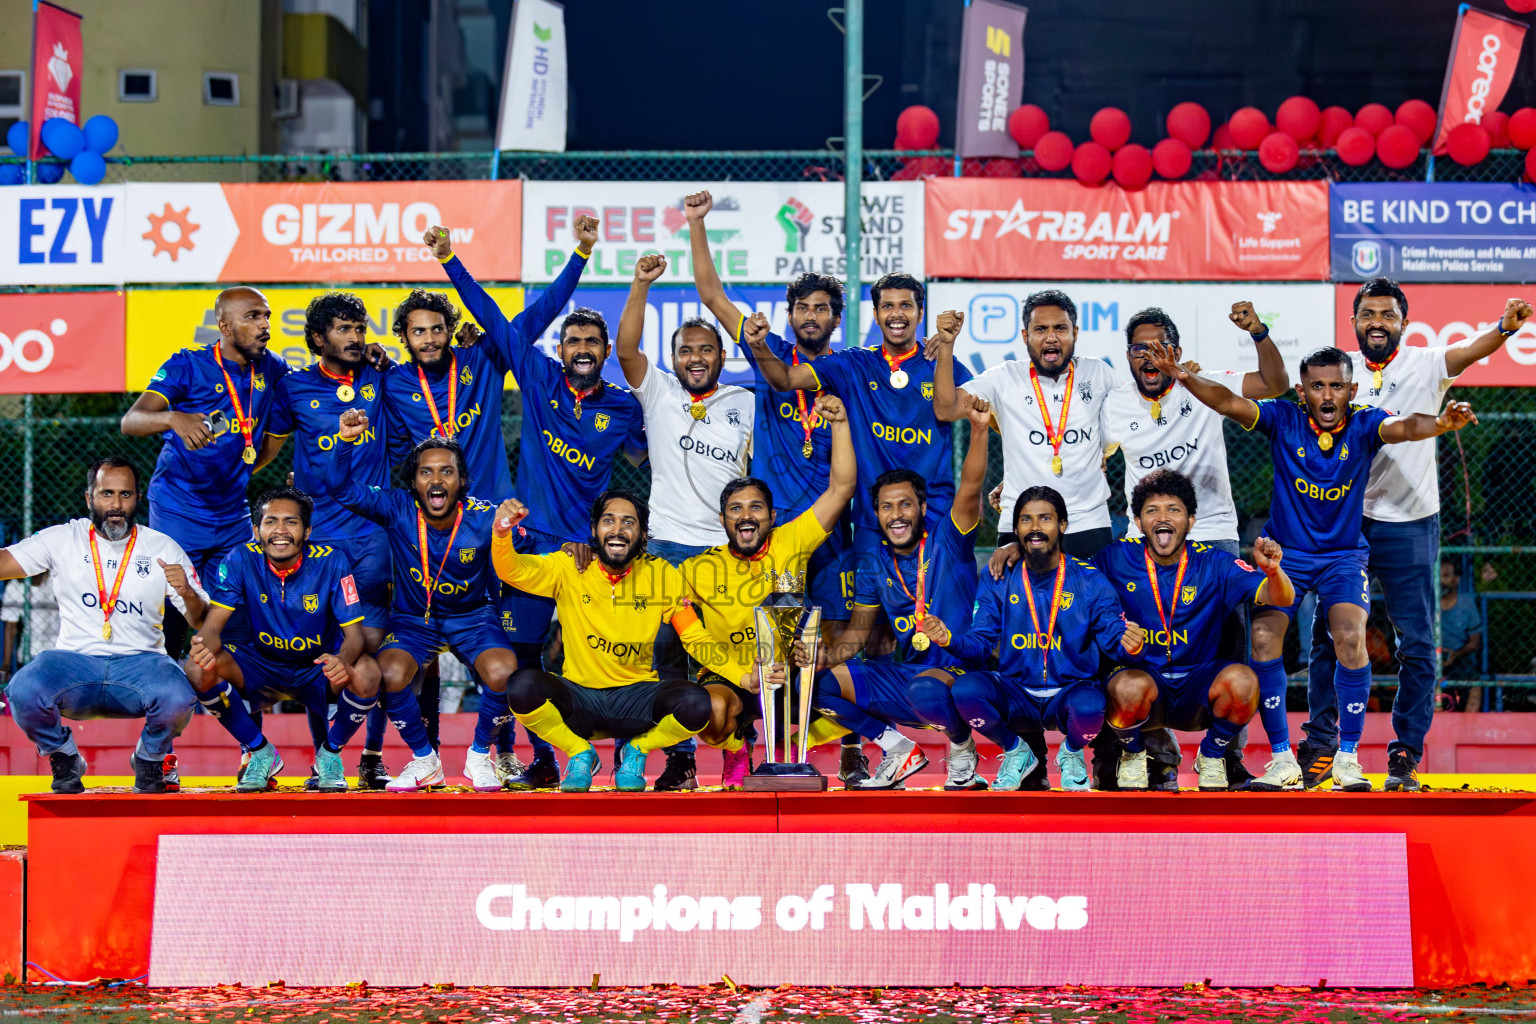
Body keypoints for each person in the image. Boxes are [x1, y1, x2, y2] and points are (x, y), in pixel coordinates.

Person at [1153, 342, 1479, 792]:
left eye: (1337, 386)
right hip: (1285, 555)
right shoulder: (1283, 418)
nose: (1328, 395)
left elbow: (1405, 427)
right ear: (1303, 392)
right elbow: (1228, 401)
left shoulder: (1366, 422)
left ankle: (1347, 758)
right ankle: (1283, 758)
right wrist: (1184, 378)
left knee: (1349, 637)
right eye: (1317, 386)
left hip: (1343, 556)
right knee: (1265, 639)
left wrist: (1441, 424)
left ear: (1353, 388)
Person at [428, 219, 649, 790]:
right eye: (572, 340)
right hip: (532, 546)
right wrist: (452, 258)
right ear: (560, 349)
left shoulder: (624, 409)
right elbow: (494, 319)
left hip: (591, 554)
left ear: (605, 352)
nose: (581, 349)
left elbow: (653, 458)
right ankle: (548, 755)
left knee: (613, 658)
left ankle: (629, 755)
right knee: (522, 660)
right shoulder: (537, 375)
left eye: (591, 342)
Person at [1306, 281, 1532, 791]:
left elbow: (1471, 349)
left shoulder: (1427, 364)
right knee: (1330, 636)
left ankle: (1405, 753)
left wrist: (1503, 328)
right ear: (1354, 323)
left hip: (1410, 523)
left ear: (1404, 323)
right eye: (1368, 313)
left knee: (1418, 645)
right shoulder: (1335, 373)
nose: (1377, 321)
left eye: (1387, 313)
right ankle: (1320, 745)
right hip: (1344, 522)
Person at [685, 188, 867, 784]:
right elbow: (711, 294)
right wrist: (697, 223)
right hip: (775, 532)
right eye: (802, 308)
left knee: (837, 636)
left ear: (835, 318)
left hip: (833, 524)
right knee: (772, 644)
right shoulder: (769, 350)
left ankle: (847, 741)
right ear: (790, 314)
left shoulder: (848, 369)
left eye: (821, 309)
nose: (810, 317)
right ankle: (764, 739)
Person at [1090, 303, 1289, 790]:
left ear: (1175, 352)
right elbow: (1082, 460)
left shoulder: (1203, 386)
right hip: (1148, 541)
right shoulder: (1114, 404)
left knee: (1228, 656)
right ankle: (1148, 756)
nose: (1148, 356)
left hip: (1212, 534)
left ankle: (1225, 759)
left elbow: (1276, 384)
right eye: (1138, 348)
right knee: (1132, 654)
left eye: (1159, 346)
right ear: (1129, 357)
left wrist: (1258, 332)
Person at [318, 410, 522, 793]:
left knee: (503, 670)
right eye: (426, 472)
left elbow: (520, 550)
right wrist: (344, 441)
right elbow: (340, 488)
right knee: (390, 674)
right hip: (415, 618)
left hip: (472, 616)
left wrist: (513, 522)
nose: (436, 479)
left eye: (447, 471)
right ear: (413, 482)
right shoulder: (397, 507)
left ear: (462, 481)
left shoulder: (484, 517)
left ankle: (480, 757)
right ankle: (425, 761)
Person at [804, 389, 995, 790]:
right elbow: (858, 632)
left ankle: (962, 753)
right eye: (887, 507)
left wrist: (979, 432)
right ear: (876, 514)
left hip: (959, 677)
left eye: (905, 505)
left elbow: (970, 488)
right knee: (814, 685)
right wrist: (814, 660)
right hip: (910, 677)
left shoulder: (950, 541)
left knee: (928, 687)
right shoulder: (874, 562)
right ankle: (895, 746)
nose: (896, 515)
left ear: (922, 508)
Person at [614, 251, 754, 786]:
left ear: (723, 354)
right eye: (685, 350)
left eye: (706, 349)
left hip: (726, 555)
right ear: (672, 358)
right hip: (669, 549)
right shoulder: (661, 393)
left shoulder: (746, 400)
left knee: (727, 659)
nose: (696, 357)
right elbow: (626, 350)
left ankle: (739, 747)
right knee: (667, 659)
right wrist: (640, 284)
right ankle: (680, 759)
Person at [740, 271, 971, 584]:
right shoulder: (852, 364)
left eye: (906, 306)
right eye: (888, 306)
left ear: (920, 313)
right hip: (871, 520)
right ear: (875, 315)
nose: (897, 314)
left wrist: (945, 347)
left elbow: (977, 415)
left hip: (935, 513)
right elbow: (784, 379)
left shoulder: (944, 363)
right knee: (867, 621)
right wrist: (758, 345)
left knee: (939, 618)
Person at [677, 387, 856, 788]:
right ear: (723, 520)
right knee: (707, 713)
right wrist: (743, 676)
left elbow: (841, 489)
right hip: (735, 677)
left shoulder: (793, 539)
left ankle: (790, 748)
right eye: (735, 509)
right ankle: (736, 745)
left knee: (855, 686)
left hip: (792, 672)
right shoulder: (696, 568)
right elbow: (691, 635)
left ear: (772, 516)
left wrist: (840, 425)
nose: (746, 516)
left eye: (755, 507)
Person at [0, 457, 207, 794]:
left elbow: (199, 619)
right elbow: (5, 563)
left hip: (142, 663)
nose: (116, 505)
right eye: (106, 493)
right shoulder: (63, 538)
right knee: (23, 690)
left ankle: (150, 758)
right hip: (72, 664)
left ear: (138, 498)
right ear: (88, 498)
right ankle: (63, 755)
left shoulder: (163, 547)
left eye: (125, 495)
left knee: (179, 697)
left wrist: (185, 590)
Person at [493, 490, 720, 792]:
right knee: (522, 685)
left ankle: (636, 751)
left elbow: (693, 636)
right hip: (580, 703)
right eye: (608, 521)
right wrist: (502, 532)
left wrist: (743, 675)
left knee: (696, 701)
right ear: (594, 530)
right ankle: (579, 752)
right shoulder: (567, 567)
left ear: (642, 534)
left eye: (629, 522)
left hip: (637, 703)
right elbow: (512, 570)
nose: (617, 530)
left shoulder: (662, 573)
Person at [916, 486, 1140, 790]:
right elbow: (980, 643)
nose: (1035, 528)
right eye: (1026, 520)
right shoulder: (999, 577)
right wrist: (949, 640)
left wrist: (1131, 641)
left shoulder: (1089, 580)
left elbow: (1113, 636)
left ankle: (1072, 752)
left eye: (1045, 518)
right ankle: (1015, 750)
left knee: (1091, 706)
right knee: (966, 690)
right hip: (1017, 690)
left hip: (1069, 691)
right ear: (1016, 528)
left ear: (1062, 525)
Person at [262, 292, 397, 789]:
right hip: (321, 537)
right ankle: (327, 756)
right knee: (325, 652)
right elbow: (269, 449)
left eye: (360, 328)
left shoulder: (381, 373)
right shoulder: (293, 388)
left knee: (375, 649)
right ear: (318, 338)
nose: (357, 338)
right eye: (344, 329)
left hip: (374, 535)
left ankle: (373, 755)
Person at [1094, 469, 1296, 790]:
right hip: (1147, 686)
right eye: (1152, 510)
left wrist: (1273, 572)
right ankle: (1133, 753)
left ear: (1190, 522)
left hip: (1198, 690)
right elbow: (1068, 584)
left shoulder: (1214, 562)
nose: (1163, 517)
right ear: (1138, 521)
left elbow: (1281, 597)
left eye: (1173, 509)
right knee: (1123, 687)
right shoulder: (1115, 558)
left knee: (1243, 682)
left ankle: (1213, 755)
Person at [120, 286, 290, 658]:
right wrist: (172, 418)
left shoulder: (274, 368)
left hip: (232, 511)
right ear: (225, 327)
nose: (265, 326)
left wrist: (238, 471)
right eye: (253, 317)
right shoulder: (188, 365)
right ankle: (161, 693)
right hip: (179, 506)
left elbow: (271, 443)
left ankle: (227, 699)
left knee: (237, 607)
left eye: (267, 317)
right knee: (174, 605)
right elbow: (131, 421)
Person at [184, 487, 381, 792]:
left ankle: (329, 756)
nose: (280, 531)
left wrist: (342, 659)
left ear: (307, 531)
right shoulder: (240, 558)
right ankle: (261, 752)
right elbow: (212, 626)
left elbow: (353, 635)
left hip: (316, 667)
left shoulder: (333, 561)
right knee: (196, 668)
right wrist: (204, 643)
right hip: (261, 665)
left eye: (291, 522)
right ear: (256, 531)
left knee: (367, 671)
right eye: (270, 522)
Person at [933, 291, 1117, 558]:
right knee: (1023, 601)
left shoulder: (1099, 373)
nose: (1051, 337)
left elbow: (1131, 418)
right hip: (1021, 523)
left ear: (1074, 332)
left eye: (1060, 328)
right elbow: (945, 409)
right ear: (1025, 336)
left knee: (1091, 600)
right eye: (1040, 329)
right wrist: (947, 346)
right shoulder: (1003, 379)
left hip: (1088, 521)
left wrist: (1103, 454)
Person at [1437, 559, 1483, 711]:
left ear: (1456, 579)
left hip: (1460, 658)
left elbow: (1474, 641)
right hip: (1432, 658)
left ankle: (1468, 731)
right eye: (1438, 576)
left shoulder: (1466, 604)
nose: (1441, 581)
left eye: (1445, 576)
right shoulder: (1429, 603)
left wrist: (1455, 654)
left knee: (1475, 686)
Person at [2, 572, 57, 675]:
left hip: (58, 649)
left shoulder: (54, 579)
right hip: (30, 653)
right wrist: (6, 665)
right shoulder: (15, 586)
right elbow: (10, 628)